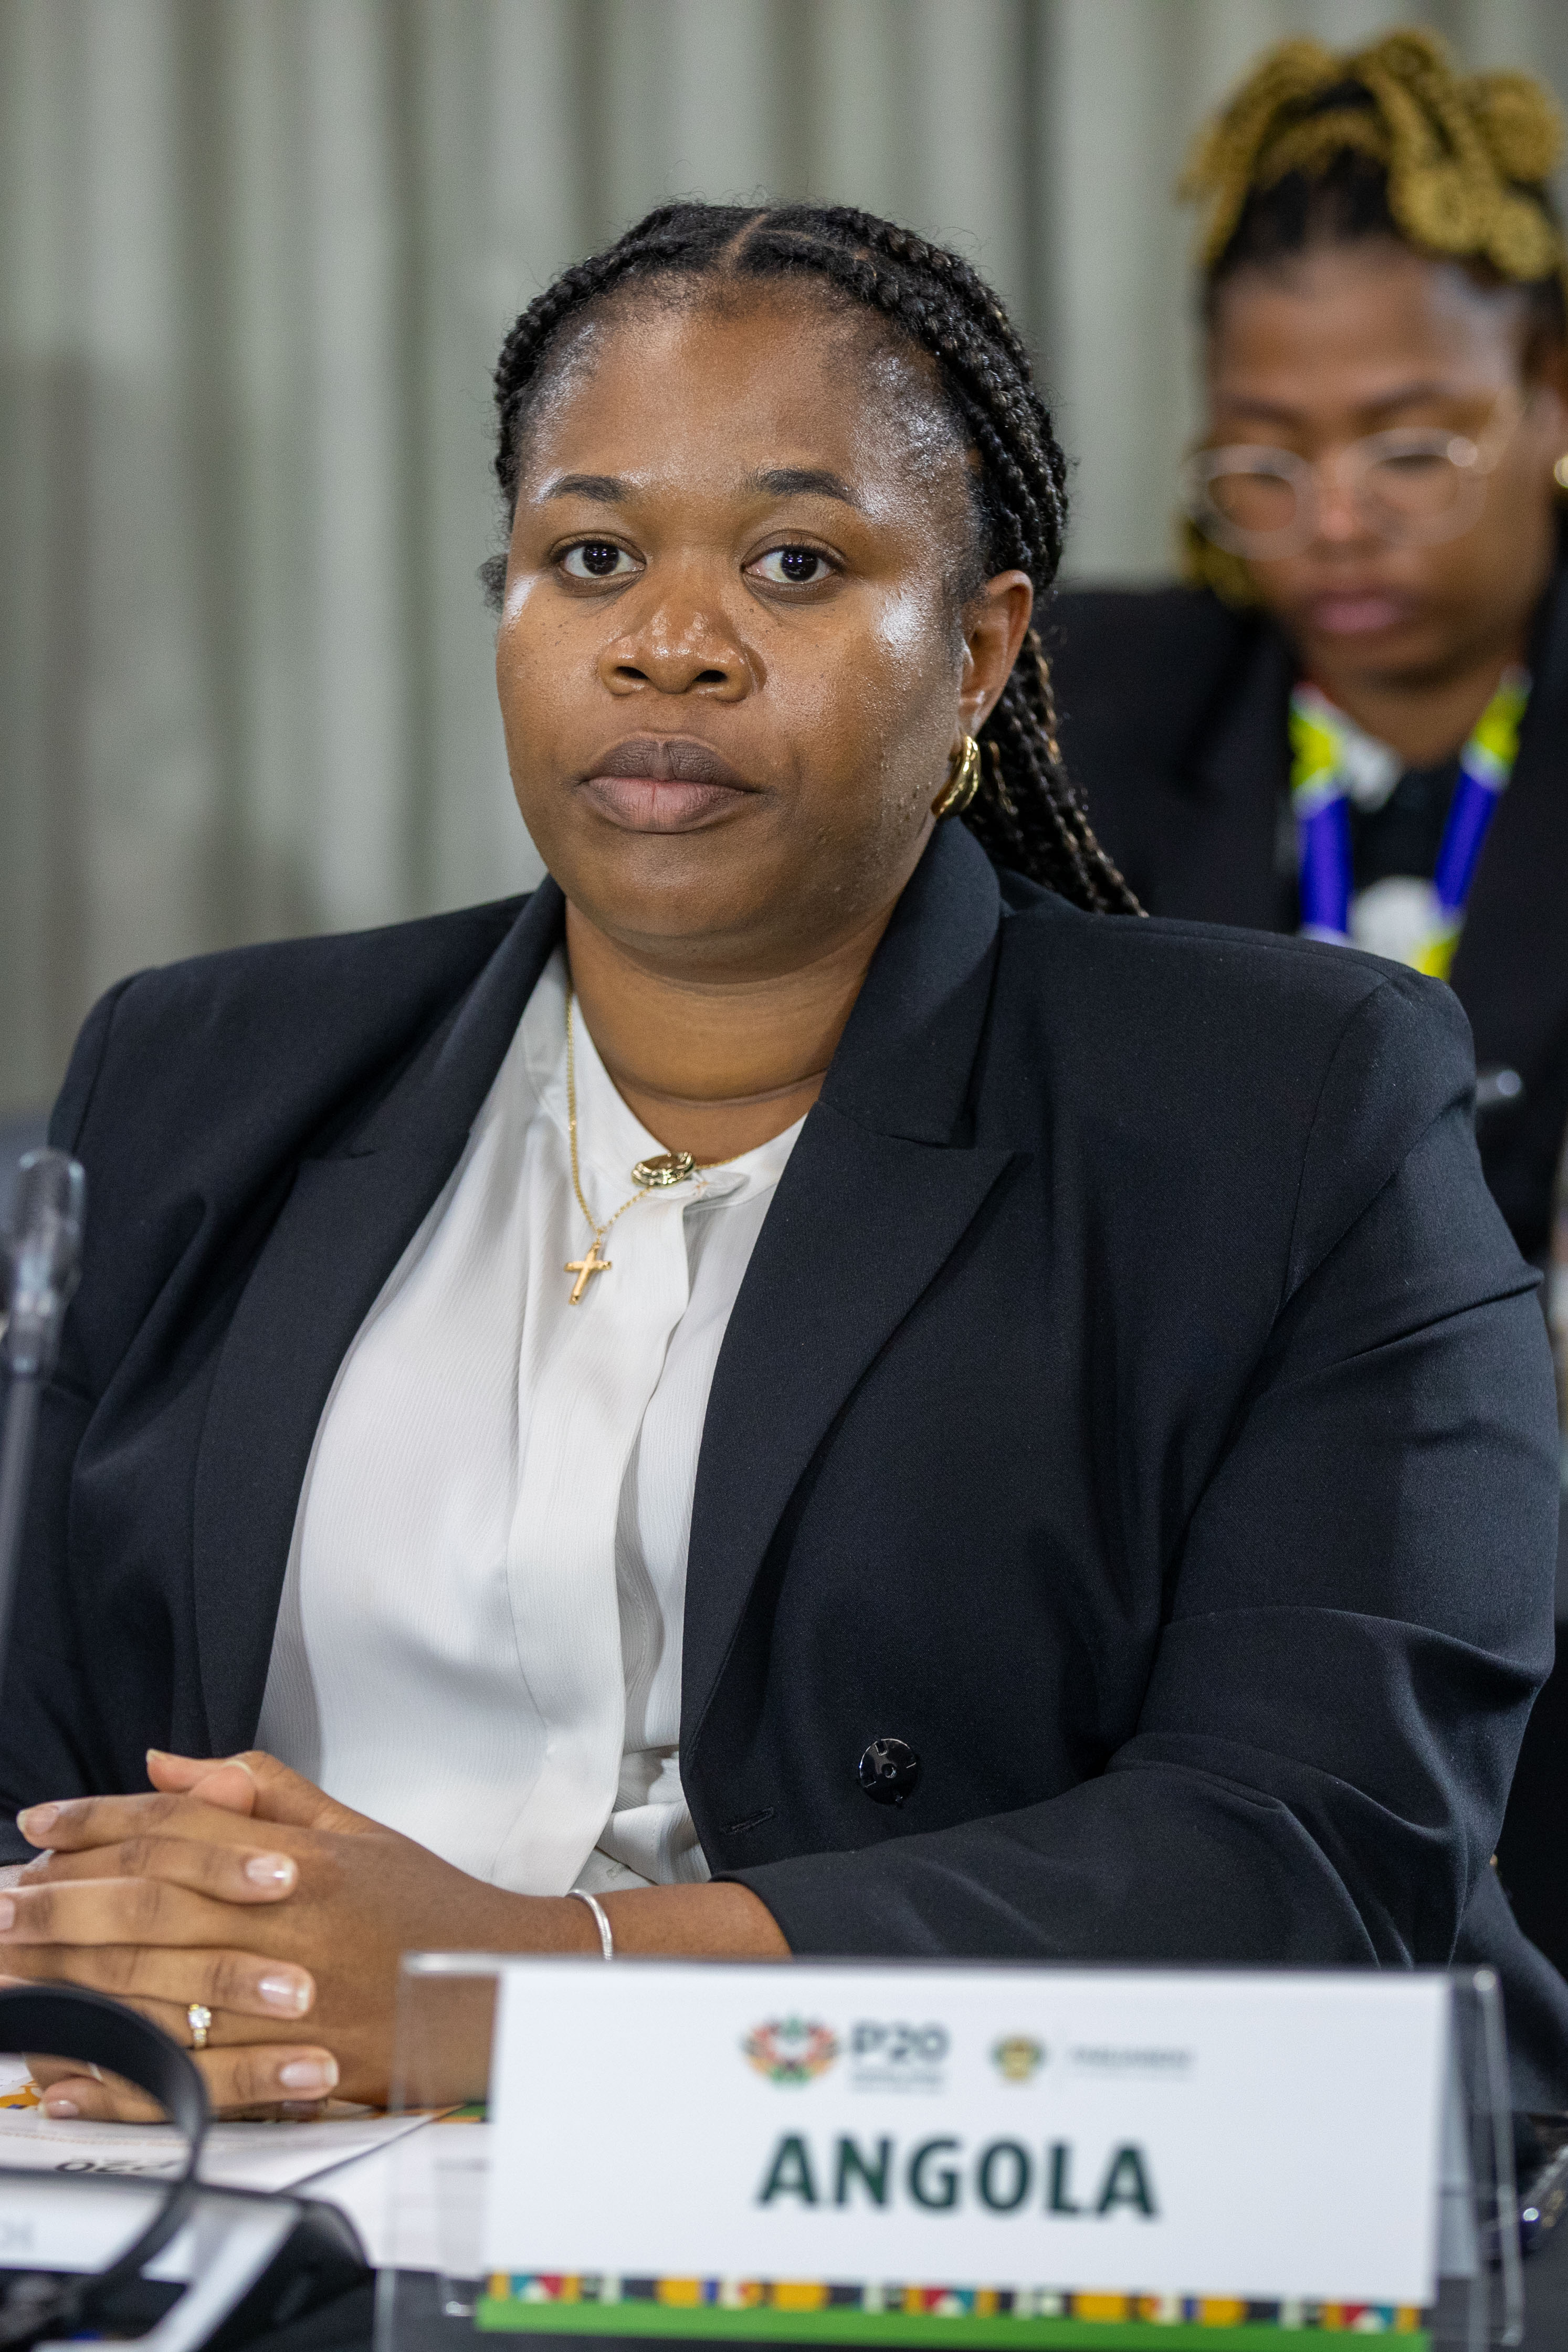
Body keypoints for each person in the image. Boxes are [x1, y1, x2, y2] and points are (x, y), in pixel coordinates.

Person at [0, 201, 1560, 2119]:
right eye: (589, 558)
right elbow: (35, 1757)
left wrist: (515, 1989)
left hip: (950, 2188)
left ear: (979, 652)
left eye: (794, 563)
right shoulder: (202, 1078)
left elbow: (1311, 1851)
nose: (668, 647)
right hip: (229, 2186)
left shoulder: (1286, 1106)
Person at [1046, 27, 1568, 1994]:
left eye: (1409, 445)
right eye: (1264, 456)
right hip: (1187, 1598)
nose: (1334, 518)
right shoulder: (1081, 719)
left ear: (1548, 396)